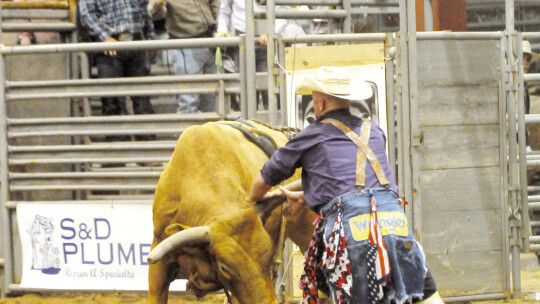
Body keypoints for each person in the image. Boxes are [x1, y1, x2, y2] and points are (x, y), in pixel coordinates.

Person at [247, 66, 444, 303]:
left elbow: (262, 181)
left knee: (324, 277)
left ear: (319, 104)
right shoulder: (375, 131)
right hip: (394, 224)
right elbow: (355, 185)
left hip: (348, 236)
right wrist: (306, 197)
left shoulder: (312, 135)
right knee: (423, 292)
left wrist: (250, 203)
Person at [79, 0, 156, 142]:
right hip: (110, 44)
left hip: (136, 41)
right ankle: (117, 151)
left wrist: (150, 36)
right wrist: (105, 37)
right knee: (112, 100)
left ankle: (147, 150)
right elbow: (87, 14)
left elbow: (143, 9)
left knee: (142, 98)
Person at [147, 0, 220, 113]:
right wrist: (158, 3)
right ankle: (185, 130)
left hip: (210, 41)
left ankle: (210, 131)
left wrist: (220, 29)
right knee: (189, 100)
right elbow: (150, 12)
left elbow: (215, 5)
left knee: (212, 98)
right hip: (185, 44)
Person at [215, 0, 289, 110]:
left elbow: (283, 11)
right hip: (241, 42)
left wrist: (272, 31)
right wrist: (222, 30)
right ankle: (248, 124)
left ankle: (274, 125)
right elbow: (224, 11)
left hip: (267, 42)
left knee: (271, 93)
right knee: (245, 94)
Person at [523, 40, 538, 154]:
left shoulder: (524, 85)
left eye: (528, 59)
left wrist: (527, 146)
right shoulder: (503, 84)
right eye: (522, 58)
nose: (525, 63)